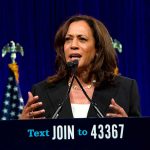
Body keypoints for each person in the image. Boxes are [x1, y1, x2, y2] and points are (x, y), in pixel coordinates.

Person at [20, 15, 141, 119]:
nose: (73, 45)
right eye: (68, 39)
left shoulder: (125, 89)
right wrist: (21, 127)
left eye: (82, 39)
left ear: (98, 49)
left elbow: (141, 141)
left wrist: (129, 129)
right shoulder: (42, 92)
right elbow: (29, 139)